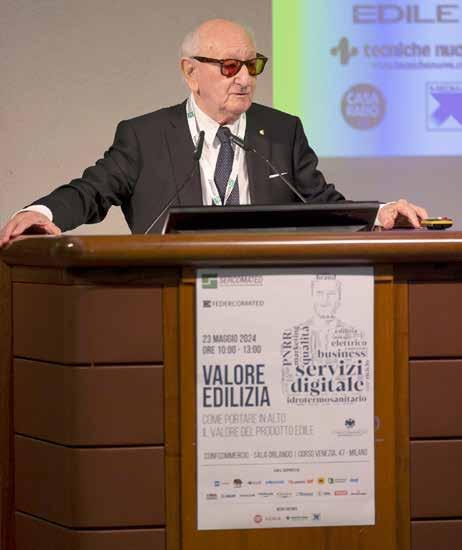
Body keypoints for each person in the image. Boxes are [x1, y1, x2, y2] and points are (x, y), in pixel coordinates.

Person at [0, 18, 428, 247]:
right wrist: (43, 214)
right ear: (191, 73)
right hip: (170, 298)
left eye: (252, 65)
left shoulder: (282, 131)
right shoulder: (145, 136)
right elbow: (91, 191)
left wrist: (380, 213)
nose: (244, 78)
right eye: (229, 67)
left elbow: (321, 203)